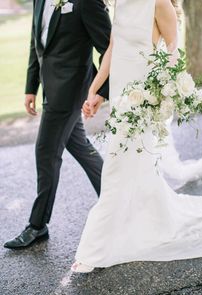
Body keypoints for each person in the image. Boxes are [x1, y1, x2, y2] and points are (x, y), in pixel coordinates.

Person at [71, 0, 202, 273]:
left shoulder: (159, 3)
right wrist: (94, 89)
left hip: (144, 99)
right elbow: (113, 48)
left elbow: (172, 52)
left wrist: (158, 91)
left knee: (115, 167)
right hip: (122, 94)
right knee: (132, 166)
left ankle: (94, 250)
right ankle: (145, 222)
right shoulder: (121, 4)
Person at [4, 0, 111, 249]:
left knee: (46, 152)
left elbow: (108, 48)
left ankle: (37, 225)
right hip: (50, 88)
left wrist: (100, 92)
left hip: (72, 90)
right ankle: (115, 197)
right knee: (80, 146)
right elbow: (37, 42)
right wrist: (31, 87)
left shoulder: (87, 2)